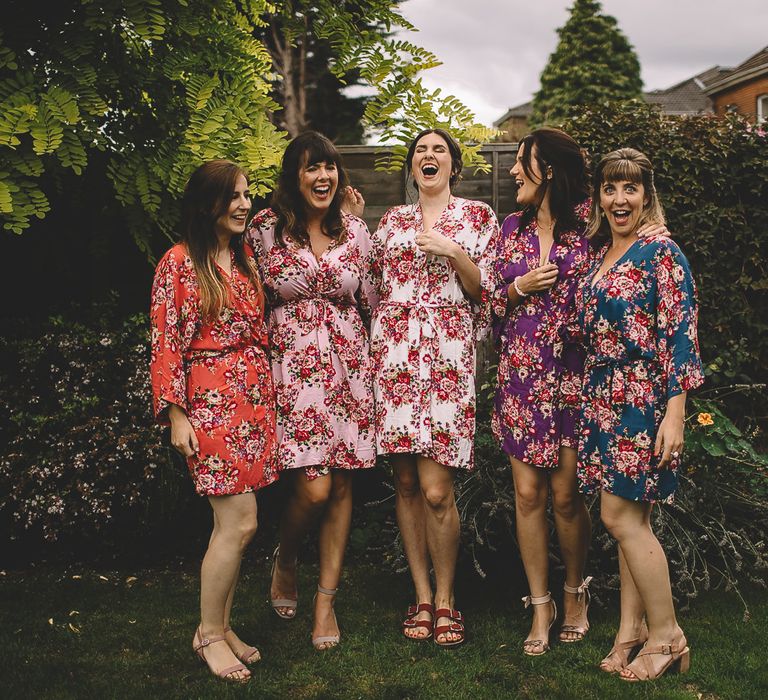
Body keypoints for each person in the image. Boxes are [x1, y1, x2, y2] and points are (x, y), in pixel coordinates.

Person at [366, 128, 499, 647]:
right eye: (421, 150)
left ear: (454, 165)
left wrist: (452, 251)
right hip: (395, 360)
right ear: (412, 166)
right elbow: (373, 289)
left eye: (438, 149)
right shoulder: (392, 222)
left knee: (438, 490)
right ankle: (421, 597)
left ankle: (447, 599)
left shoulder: (476, 218)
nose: (429, 155)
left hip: (445, 359)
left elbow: (482, 289)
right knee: (405, 486)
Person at [575, 148, 703, 681]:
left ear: (646, 194)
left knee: (618, 517)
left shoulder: (660, 251)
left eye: (630, 189)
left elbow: (680, 334)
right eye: (609, 188)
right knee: (634, 517)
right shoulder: (603, 251)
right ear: (599, 196)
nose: (618, 199)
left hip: (640, 398)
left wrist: (674, 415)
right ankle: (630, 631)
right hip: (604, 393)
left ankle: (667, 634)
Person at [246, 132, 378, 651]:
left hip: (348, 370)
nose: (323, 177)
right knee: (314, 487)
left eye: (330, 167)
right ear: (293, 176)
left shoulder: (357, 232)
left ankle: (325, 601)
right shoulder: (264, 230)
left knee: (341, 487)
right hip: (293, 374)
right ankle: (285, 554)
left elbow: (371, 301)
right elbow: (248, 299)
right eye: (311, 168)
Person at [150, 160, 277, 683]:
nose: (245, 204)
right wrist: (177, 415)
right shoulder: (179, 263)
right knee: (238, 523)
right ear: (208, 204)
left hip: (252, 401)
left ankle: (222, 628)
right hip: (211, 404)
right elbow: (164, 344)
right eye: (235, 196)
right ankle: (207, 635)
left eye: (247, 195)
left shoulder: (244, 261)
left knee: (240, 528)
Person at [487, 127, 594, 655]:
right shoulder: (510, 229)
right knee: (528, 495)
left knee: (566, 497)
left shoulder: (592, 227)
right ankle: (540, 605)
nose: (511, 172)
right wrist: (515, 289)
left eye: (521, 162)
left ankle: (576, 593)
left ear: (547, 169)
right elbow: (486, 306)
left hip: (572, 378)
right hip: (521, 379)